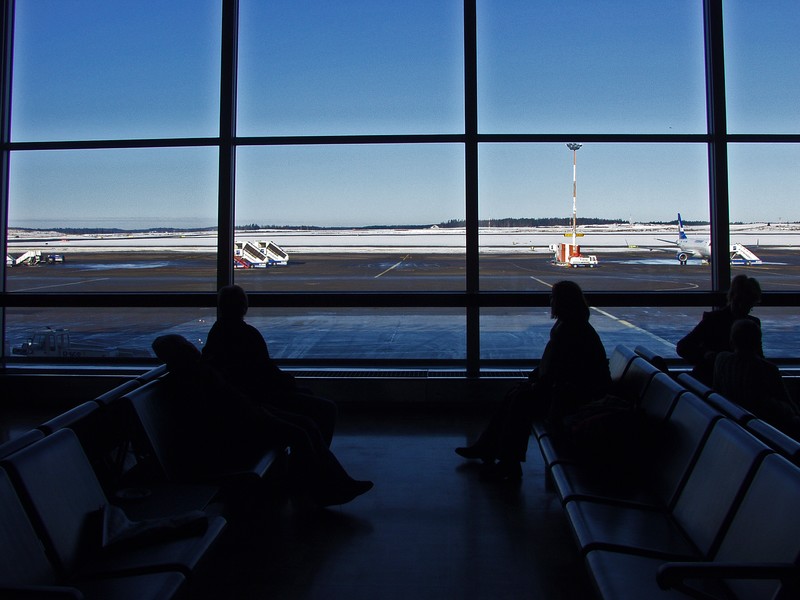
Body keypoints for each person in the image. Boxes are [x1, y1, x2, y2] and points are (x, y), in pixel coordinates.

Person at [153, 333, 373, 507]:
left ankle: (333, 484)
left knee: (305, 427)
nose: (192, 345)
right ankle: (324, 489)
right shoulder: (195, 378)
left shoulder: (196, 373)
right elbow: (220, 412)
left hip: (248, 415)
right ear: (182, 353)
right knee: (302, 431)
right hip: (243, 423)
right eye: (185, 344)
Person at [455, 280, 611, 481]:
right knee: (518, 395)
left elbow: (562, 369)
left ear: (562, 302)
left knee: (520, 399)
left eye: (553, 297)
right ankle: (492, 451)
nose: (550, 301)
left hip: (573, 395)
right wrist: (538, 379)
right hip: (571, 390)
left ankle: (505, 460)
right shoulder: (574, 325)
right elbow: (560, 366)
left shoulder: (570, 329)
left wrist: (539, 382)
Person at [202, 284, 337, 446]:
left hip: (246, 398)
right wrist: (288, 382)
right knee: (325, 410)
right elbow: (266, 371)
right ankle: (316, 460)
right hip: (261, 398)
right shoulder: (248, 334)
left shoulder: (216, 334)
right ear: (244, 307)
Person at [714, 319, 800, 439]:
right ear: (758, 342)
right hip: (767, 422)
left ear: (732, 341)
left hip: (735, 418)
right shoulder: (767, 368)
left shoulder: (721, 360)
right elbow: (786, 402)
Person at [676, 274, 762, 386]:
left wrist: (706, 356)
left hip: (710, 380)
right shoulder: (752, 324)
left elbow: (683, 347)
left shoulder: (713, 319)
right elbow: (759, 355)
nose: (745, 308)